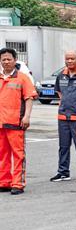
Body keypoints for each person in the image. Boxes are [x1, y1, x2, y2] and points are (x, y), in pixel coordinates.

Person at [50, 50, 76, 184]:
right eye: (67, 59)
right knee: (63, 146)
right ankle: (63, 172)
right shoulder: (61, 75)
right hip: (63, 117)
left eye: (72, 58)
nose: (69, 61)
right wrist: (64, 105)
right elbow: (60, 93)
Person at [0, 47, 37, 195]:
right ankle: (4, 181)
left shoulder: (22, 78)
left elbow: (29, 98)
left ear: (15, 60)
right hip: (1, 123)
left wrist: (26, 116)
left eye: (9, 59)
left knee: (18, 154)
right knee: (2, 154)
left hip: (16, 122)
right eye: (3, 59)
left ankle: (18, 183)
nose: (6, 61)